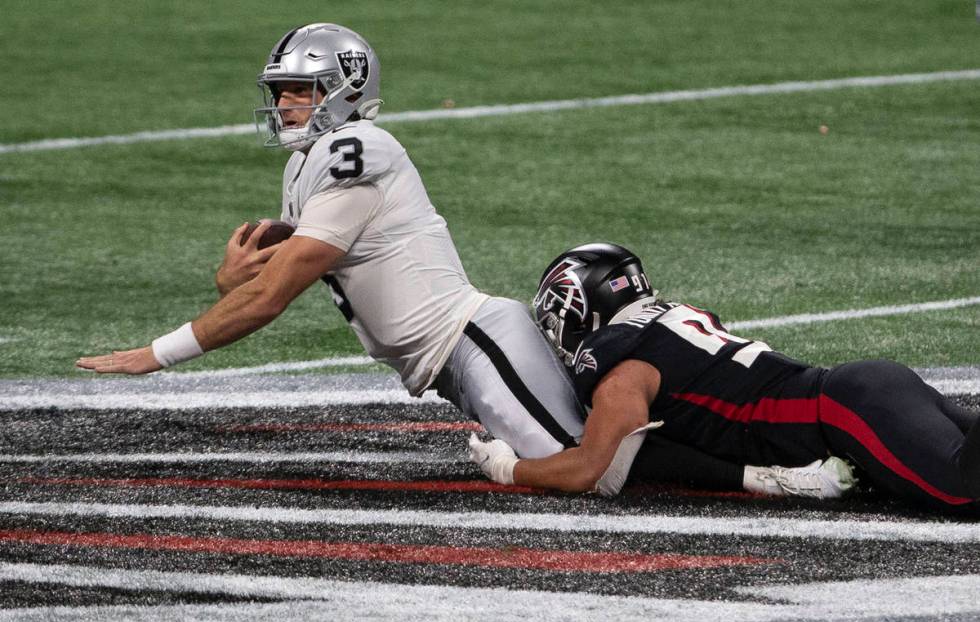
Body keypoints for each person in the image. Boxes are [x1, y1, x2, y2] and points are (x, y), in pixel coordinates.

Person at [75, 23, 846, 499]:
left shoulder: (360, 148)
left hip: (473, 340)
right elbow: (266, 278)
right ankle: (772, 454)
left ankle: (781, 469)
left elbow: (277, 290)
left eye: (300, 92)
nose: (285, 106)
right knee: (594, 449)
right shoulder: (311, 163)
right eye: (281, 93)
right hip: (457, 356)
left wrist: (159, 353)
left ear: (344, 89)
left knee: (591, 469)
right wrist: (229, 280)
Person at [469, 243, 980, 511]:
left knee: (962, 490)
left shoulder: (619, 361)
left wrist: (511, 470)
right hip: (864, 396)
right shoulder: (670, 320)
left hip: (850, 411)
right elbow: (652, 449)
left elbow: (594, 470)